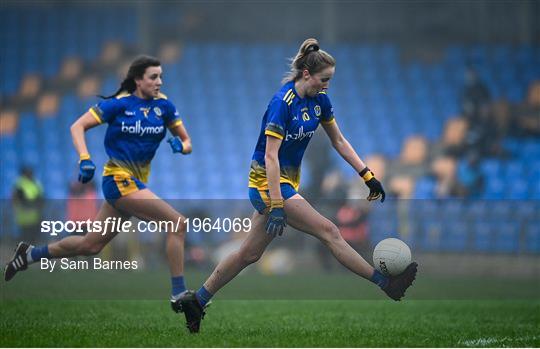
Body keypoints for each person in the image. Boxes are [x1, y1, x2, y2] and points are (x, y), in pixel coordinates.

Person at [178, 39, 418, 333]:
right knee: (329, 231)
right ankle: (386, 284)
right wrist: (278, 203)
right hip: (266, 184)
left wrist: (366, 175)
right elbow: (270, 155)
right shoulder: (282, 103)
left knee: (249, 255)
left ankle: (198, 299)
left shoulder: (320, 102)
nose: (327, 86)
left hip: (285, 186)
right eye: (323, 79)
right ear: (306, 74)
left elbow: (339, 141)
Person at [4, 55, 193, 314]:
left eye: (161, 76)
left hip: (134, 184)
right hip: (117, 180)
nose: (159, 81)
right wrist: (84, 158)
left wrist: (179, 146)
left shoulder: (166, 107)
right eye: (153, 77)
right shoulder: (118, 105)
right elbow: (77, 126)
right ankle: (178, 293)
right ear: (138, 80)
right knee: (177, 223)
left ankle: (29, 254)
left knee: (90, 245)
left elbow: (187, 142)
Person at [12, 166, 44, 243]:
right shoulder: (19, 184)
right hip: (24, 215)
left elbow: (40, 196)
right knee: (25, 236)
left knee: (34, 236)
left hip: (34, 214)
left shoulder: (35, 182)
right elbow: (16, 199)